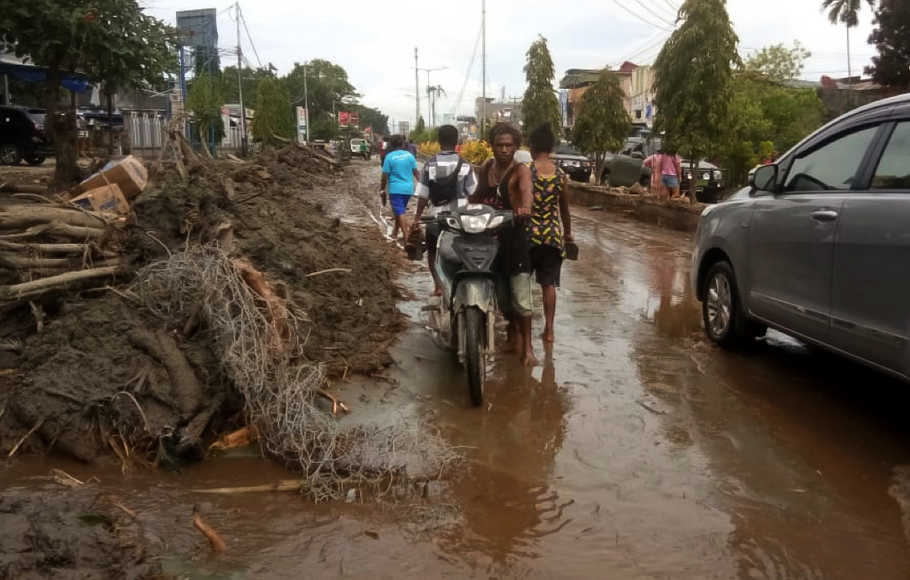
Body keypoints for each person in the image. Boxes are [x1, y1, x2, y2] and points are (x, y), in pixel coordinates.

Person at [508, 124, 573, 362]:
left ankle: (517, 333)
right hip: (552, 236)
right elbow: (565, 210)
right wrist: (568, 236)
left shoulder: (525, 171)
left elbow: (511, 197)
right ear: (552, 147)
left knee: (522, 284)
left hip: (527, 235)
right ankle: (549, 330)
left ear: (532, 147)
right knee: (549, 285)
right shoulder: (561, 175)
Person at [470, 122, 524, 351]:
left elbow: (527, 194)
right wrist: (462, 209)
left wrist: (523, 209)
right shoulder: (487, 168)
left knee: (515, 290)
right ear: (491, 146)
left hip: (512, 235)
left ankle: (516, 329)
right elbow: (477, 195)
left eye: (508, 145)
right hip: (487, 235)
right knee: (496, 285)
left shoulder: (520, 170)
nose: (503, 149)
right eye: (499, 145)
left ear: (515, 147)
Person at [411, 124, 477, 296]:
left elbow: (423, 195)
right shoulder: (466, 166)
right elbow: (474, 193)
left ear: (439, 142)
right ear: (457, 142)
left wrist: (417, 218)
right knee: (464, 248)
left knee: (432, 251)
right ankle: (462, 283)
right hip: (461, 218)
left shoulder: (429, 165)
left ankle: (439, 286)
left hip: (435, 218)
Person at [380, 134, 419, 242]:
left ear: (391, 144)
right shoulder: (409, 156)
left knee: (400, 212)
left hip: (395, 189)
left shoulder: (389, 157)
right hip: (408, 189)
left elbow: (384, 176)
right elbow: (416, 173)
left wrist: (382, 189)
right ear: (403, 144)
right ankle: (395, 233)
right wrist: (422, 186)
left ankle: (407, 238)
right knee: (399, 211)